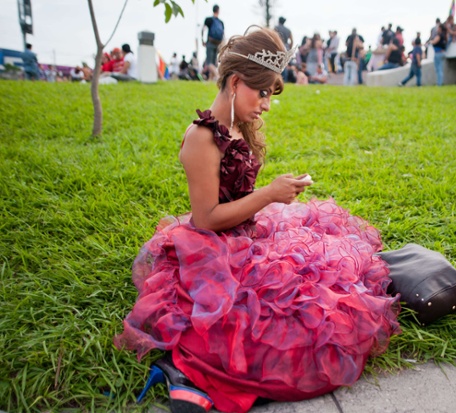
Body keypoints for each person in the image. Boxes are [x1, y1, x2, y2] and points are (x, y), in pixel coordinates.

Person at [114, 26, 400, 413]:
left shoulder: (234, 126)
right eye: (262, 92)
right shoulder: (201, 138)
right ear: (235, 82)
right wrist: (268, 196)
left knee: (323, 281)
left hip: (246, 234)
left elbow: (239, 200)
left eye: (269, 94)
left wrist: (272, 197)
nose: (266, 104)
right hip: (214, 248)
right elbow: (206, 218)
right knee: (278, 322)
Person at [202, 4, 225, 69]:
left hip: (210, 42)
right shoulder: (221, 22)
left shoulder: (208, 20)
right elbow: (223, 34)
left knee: (209, 63)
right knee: (214, 62)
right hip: (218, 43)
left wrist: (202, 40)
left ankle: (217, 76)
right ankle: (211, 78)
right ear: (218, 10)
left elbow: (203, 29)